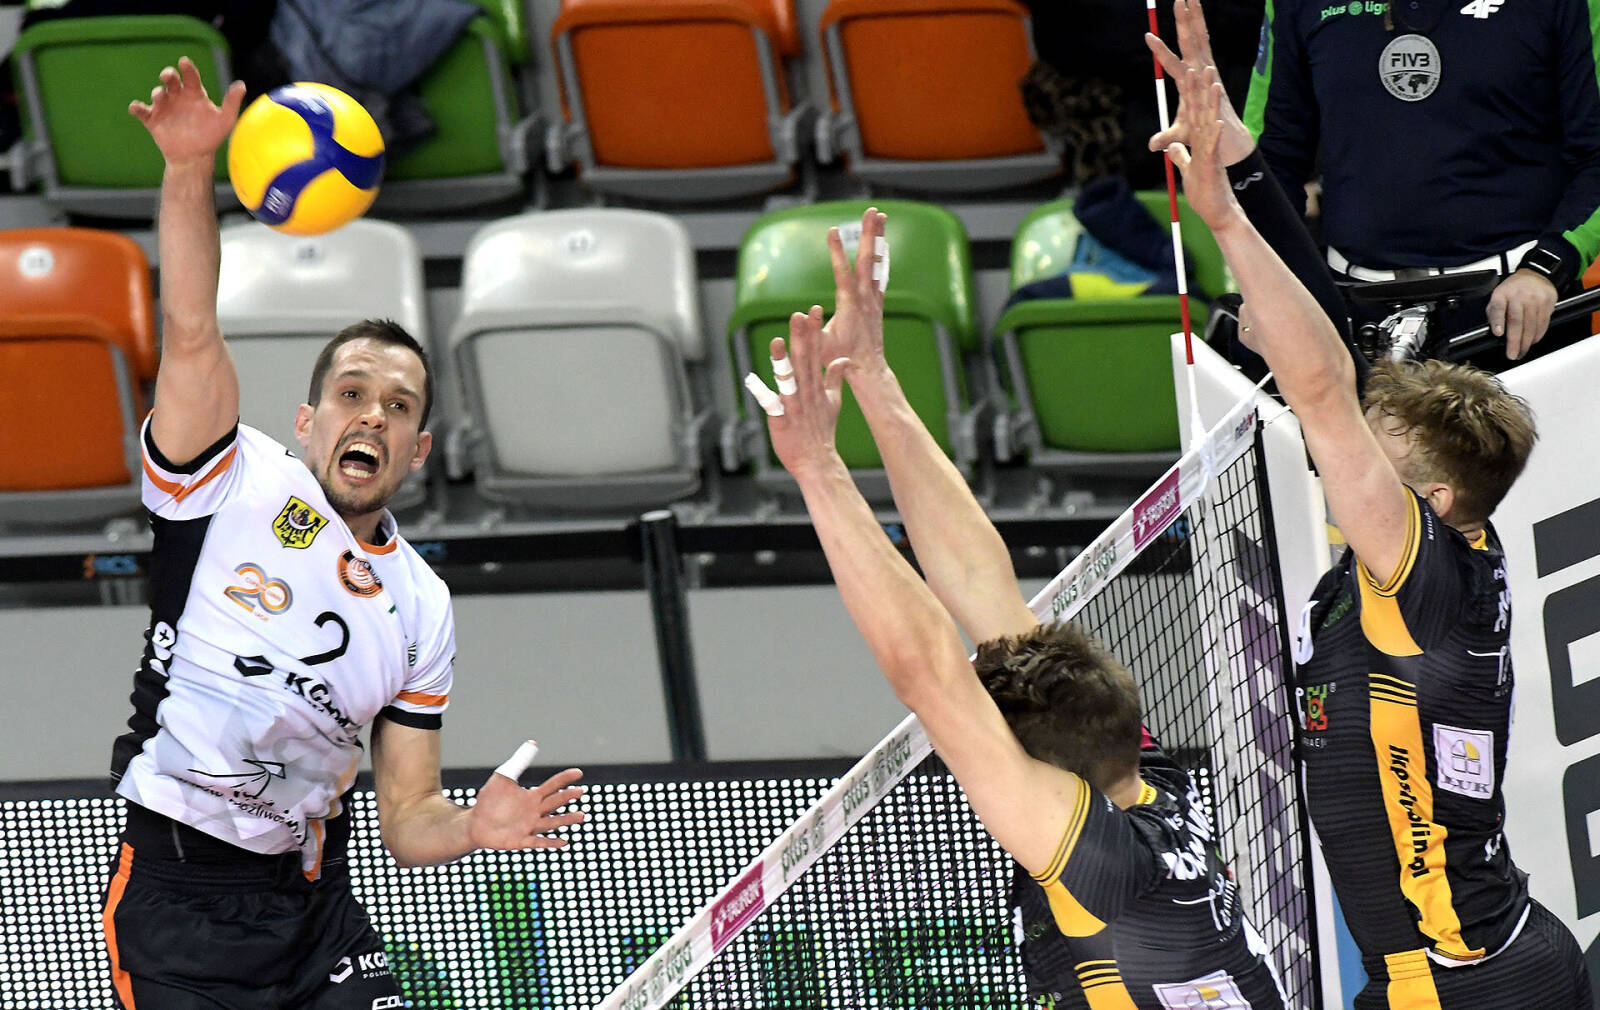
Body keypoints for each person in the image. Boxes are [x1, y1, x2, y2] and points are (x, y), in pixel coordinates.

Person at [100, 59, 584, 1010]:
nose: (372, 415)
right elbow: (190, 330)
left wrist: (470, 827)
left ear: (419, 450)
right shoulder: (231, 478)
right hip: (177, 898)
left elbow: (406, 813)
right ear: (308, 420)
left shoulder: (422, 604)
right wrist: (189, 168)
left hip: (313, 903)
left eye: (398, 407)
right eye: (352, 393)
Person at [1150, 2, 1593, 1004]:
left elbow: (1320, 393)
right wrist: (1243, 162)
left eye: (1370, 448)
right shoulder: (1427, 559)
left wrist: (1223, 216)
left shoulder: (1420, 571)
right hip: (1475, 960)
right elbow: (1330, 376)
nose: (1341, 450)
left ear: (1431, 499)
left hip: (1460, 980)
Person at [747, 208, 1288, 1010]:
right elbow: (980, 587)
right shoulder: (1147, 779)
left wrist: (819, 469)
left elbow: (928, 675)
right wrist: (872, 373)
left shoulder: (1103, 864)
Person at [1242, 0, 1600, 365]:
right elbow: (1269, 159)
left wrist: (1546, 269)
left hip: (1514, 307)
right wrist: (1265, 281)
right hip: (1353, 310)